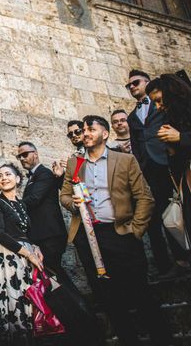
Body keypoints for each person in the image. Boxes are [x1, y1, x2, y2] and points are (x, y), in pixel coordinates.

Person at [60, 115, 173, 346]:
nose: (85, 133)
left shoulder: (125, 160)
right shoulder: (75, 164)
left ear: (105, 133)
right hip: (91, 238)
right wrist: (75, 203)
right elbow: (64, 195)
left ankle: (161, 338)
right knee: (110, 298)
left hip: (121, 234)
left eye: (91, 129)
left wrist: (136, 230)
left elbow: (145, 198)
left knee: (141, 292)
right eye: (83, 129)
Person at [126, 69, 185, 277]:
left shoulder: (164, 103)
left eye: (136, 83)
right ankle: (177, 261)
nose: (132, 87)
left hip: (170, 161)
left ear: (148, 82)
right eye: (129, 85)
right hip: (149, 169)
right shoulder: (132, 117)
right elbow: (135, 144)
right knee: (165, 213)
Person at [0, 163, 43, 345]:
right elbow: (0, 234)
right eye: (0, 175)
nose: (4, 178)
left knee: (30, 302)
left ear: (18, 179)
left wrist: (36, 247)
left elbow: (29, 232)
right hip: (9, 256)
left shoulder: (22, 204)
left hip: (27, 257)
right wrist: (28, 253)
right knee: (13, 302)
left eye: (8, 174)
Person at [16, 142, 71, 288]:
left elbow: (34, 199)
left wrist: (12, 205)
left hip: (50, 235)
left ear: (35, 154)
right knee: (50, 276)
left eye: (25, 154)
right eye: (19, 156)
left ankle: (78, 307)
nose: (22, 158)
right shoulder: (33, 177)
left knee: (55, 274)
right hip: (41, 236)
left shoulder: (44, 173)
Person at [146, 74, 191, 250]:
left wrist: (180, 137)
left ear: (172, 92)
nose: (158, 107)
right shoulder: (171, 118)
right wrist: (172, 148)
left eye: (158, 100)